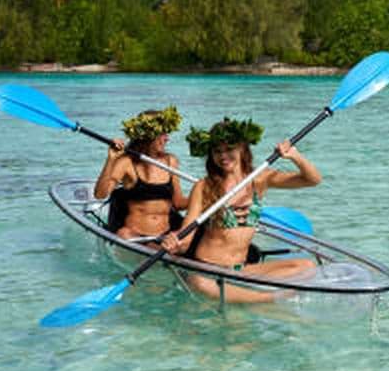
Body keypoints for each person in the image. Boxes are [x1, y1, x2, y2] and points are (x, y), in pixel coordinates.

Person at [161, 117, 321, 303]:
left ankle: (251, 298)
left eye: (229, 149)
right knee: (200, 283)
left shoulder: (258, 179)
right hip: (209, 270)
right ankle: (266, 299)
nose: (223, 156)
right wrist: (175, 242)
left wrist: (295, 156)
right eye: (217, 151)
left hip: (241, 269)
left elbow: (312, 180)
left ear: (242, 149)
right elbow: (187, 236)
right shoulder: (204, 186)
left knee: (307, 266)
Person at [94, 105, 188, 239]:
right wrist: (110, 160)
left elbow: (178, 203)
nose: (167, 138)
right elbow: (100, 194)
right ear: (148, 136)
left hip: (166, 236)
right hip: (135, 236)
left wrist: (205, 196)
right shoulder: (127, 162)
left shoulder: (170, 161)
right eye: (162, 134)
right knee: (124, 234)